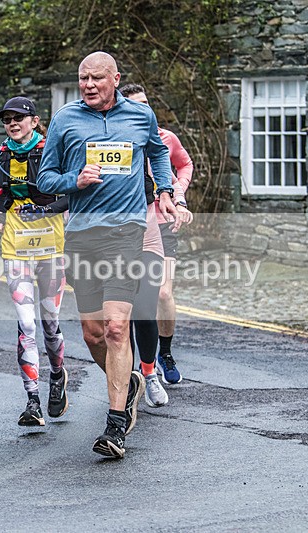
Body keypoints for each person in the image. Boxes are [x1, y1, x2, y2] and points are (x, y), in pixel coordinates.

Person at [37, 51, 180, 459]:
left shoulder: (139, 116)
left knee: (118, 327)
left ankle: (116, 425)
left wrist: (165, 191)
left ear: (115, 78)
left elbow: (157, 153)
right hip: (82, 235)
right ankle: (129, 381)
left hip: (126, 232)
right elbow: (45, 180)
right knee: (94, 333)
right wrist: (74, 180)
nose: (89, 85)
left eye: (97, 78)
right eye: (83, 79)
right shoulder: (65, 120)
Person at [0, 96, 69, 427]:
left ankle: (57, 374)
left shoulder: (54, 151)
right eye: (7, 119)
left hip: (50, 242)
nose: (12, 123)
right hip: (16, 244)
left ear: (34, 121)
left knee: (50, 324)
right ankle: (32, 399)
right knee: (26, 324)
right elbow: (3, 194)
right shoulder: (1, 155)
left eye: (18, 117)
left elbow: (70, 195)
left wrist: (43, 209)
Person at [120, 83, 194, 391]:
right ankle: (136, 367)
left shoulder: (167, 137)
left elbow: (184, 164)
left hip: (164, 223)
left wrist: (179, 198)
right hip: (132, 226)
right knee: (136, 302)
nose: (144, 109)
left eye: (147, 103)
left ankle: (164, 353)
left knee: (163, 294)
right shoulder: (119, 141)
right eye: (136, 105)